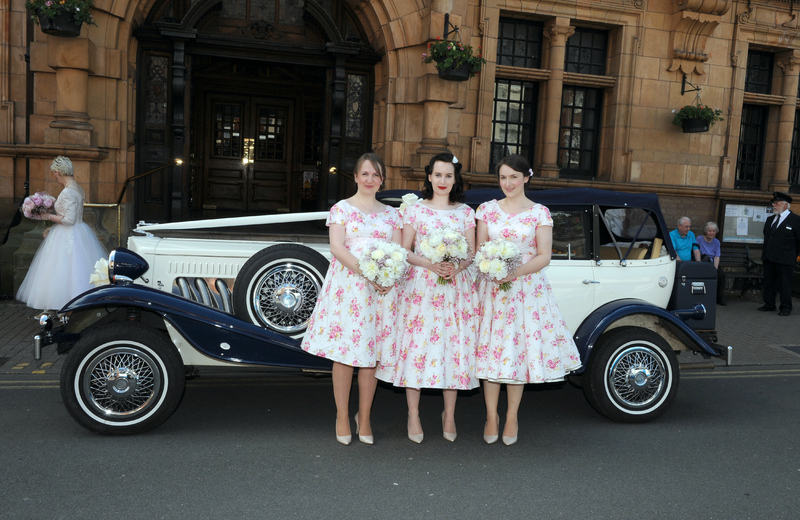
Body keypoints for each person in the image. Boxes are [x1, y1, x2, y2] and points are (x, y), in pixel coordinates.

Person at [475, 154, 581, 445]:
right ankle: (491, 416)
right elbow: (480, 250)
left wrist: (514, 272)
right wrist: (492, 269)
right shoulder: (486, 210)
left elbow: (544, 255)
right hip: (492, 291)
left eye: (513, 177)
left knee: (516, 353)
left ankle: (511, 416)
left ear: (526, 178)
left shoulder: (539, 213)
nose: (507, 183)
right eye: (502, 177)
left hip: (526, 292)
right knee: (491, 353)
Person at [375, 152, 477, 444]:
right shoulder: (415, 210)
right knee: (417, 349)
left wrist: (456, 266)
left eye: (448, 175)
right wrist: (430, 264)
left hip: (455, 287)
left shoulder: (466, 213)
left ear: (455, 178)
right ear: (429, 177)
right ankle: (413, 414)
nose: (442, 181)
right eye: (438, 175)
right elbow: (404, 250)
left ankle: (449, 414)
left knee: (452, 347)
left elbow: (471, 252)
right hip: (421, 287)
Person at [301, 153, 402, 445]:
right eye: (366, 174)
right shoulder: (341, 209)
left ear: (382, 180)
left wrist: (387, 278)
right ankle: (343, 415)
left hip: (381, 292)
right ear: (356, 177)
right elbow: (337, 248)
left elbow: (397, 253)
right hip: (350, 288)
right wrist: (367, 273)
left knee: (371, 356)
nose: (371, 179)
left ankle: (365, 416)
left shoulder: (393, 215)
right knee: (345, 355)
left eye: (377, 175)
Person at [16, 156, 107, 311]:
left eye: (54, 173)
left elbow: (69, 220)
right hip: (77, 231)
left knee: (63, 270)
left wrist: (46, 216)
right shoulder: (78, 188)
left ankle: (65, 308)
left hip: (68, 235)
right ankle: (71, 311)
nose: (54, 177)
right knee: (74, 271)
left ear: (58, 172)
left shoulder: (68, 192)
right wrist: (51, 223)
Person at [758, 192, 800, 316]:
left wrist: (794, 255)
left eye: (776, 203)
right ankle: (769, 304)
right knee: (769, 282)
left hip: (785, 259)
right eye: (773, 203)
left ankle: (786, 307)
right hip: (769, 257)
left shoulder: (796, 220)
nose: (773, 205)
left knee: (784, 284)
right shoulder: (770, 219)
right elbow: (767, 237)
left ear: (785, 205)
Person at [696, 221, 726, 305]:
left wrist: (715, 269)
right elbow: (696, 251)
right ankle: (704, 297)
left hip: (712, 263)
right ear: (706, 231)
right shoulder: (699, 239)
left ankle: (719, 298)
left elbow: (717, 256)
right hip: (702, 261)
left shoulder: (717, 242)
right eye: (709, 231)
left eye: (713, 231)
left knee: (721, 275)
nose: (711, 233)